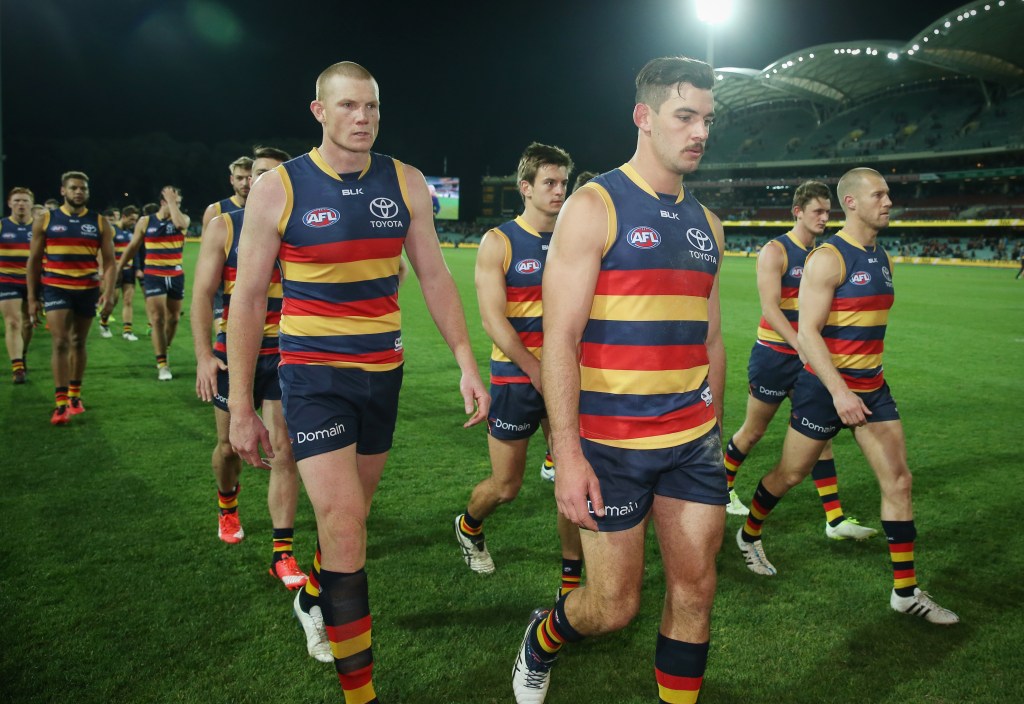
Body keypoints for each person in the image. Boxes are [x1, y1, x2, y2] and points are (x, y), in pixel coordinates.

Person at [226, 61, 489, 699]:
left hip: (383, 376)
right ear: (319, 111)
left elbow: (434, 276)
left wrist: (465, 360)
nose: (363, 118)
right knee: (343, 523)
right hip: (313, 376)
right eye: (348, 107)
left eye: (371, 106)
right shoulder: (279, 188)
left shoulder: (406, 182)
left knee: (354, 517)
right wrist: (240, 404)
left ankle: (314, 597)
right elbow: (249, 296)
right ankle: (360, 691)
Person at [513, 56, 726, 704]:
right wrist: (568, 452)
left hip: (691, 442)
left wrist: (712, 424)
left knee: (695, 592)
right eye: (684, 116)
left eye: (707, 120)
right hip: (610, 447)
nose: (699, 132)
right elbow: (560, 339)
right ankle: (540, 641)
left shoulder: (708, 224)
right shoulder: (594, 206)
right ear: (644, 116)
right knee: (611, 606)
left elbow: (710, 337)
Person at [735, 167, 958, 625]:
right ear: (851, 202)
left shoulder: (883, 258)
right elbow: (809, 333)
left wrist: (865, 381)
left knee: (899, 482)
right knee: (790, 474)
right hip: (824, 389)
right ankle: (749, 533)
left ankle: (905, 591)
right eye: (879, 194)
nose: (888, 201)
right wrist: (838, 392)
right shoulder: (828, 258)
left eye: (889, 194)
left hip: (873, 389)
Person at [453, 142, 584, 598]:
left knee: (572, 476)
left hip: (566, 376)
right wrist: (534, 369)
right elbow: (493, 320)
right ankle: (469, 526)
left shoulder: (576, 238)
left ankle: (570, 586)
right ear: (525, 188)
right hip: (516, 378)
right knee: (506, 487)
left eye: (563, 183)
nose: (558, 191)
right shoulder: (499, 241)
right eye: (549, 183)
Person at [721, 181, 877, 540]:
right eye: (818, 212)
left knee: (819, 434)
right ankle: (723, 489)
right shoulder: (775, 251)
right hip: (775, 356)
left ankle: (834, 519)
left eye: (827, 211)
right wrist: (800, 345)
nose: (825, 218)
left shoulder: (822, 255)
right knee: (754, 431)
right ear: (798, 212)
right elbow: (769, 309)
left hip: (809, 358)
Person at [191, 145, 308, 590]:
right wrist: (204, 355)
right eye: (256, 173)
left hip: (285, 353)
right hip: (234, 354)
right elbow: (203, 295)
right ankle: (227, 504)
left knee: (285, 451)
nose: (261, 181)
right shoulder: (224, 226)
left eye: (272, 175)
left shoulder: (298, 224)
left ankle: (282, 552)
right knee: (228, 447)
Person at [26, 171, 117, 424]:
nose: (79, 192)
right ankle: (60, 402)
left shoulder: (99, 222)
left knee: (78, 341)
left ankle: (75, 396)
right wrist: (33, 297)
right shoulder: (45, 220)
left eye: (83, 189)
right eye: (74, 188)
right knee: (60, 342)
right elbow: (33, 261)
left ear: (87, 192)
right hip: (56, 287)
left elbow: (110, 262)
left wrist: (108, 294)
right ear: (63, 191)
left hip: (87, 289)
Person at [117, 186, 190, 379]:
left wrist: (173, 204)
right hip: (154, 274)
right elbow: (133, 247)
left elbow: (181, 224)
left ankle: (163, 347)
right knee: (157, 318)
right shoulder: (145, 221)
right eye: (174, 201)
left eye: (179, 203)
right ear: (162, 202)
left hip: (175, 275)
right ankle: (162, 364)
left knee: (174, 318)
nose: (178, 206)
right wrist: (119, 267)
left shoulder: (182, 219)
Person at [201, 156, 253, 329]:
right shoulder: (216, 211)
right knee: (226, 342)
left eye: (249, 177)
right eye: (239, 178)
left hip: (259, 287)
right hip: (224, 289)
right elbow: (205, 259)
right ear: (232, 179)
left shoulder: (268, 209)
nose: (245, 183)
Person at [1, 187, 36, 383]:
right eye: (16, 201)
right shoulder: (2, 226)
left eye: (24, 201)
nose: (20, 204)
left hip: (32, 282)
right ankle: (17, 367)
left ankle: (22, 354)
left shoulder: (39, 228)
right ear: (9, 204)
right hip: (7, 280)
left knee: (27, 324)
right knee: (13, 322)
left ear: (31, 204)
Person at [99, 205, 141, 340]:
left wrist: (136, 267)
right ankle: (104, 322)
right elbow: (101, 249)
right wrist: (101, 269)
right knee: (112, 300)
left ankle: (127, 331)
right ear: (123, 217)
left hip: (128, 270)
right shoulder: (112, 230)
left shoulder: (131, 232)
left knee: (128, 300)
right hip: (114, 271)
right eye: (131, 219)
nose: (133, 223)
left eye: (135, 220)